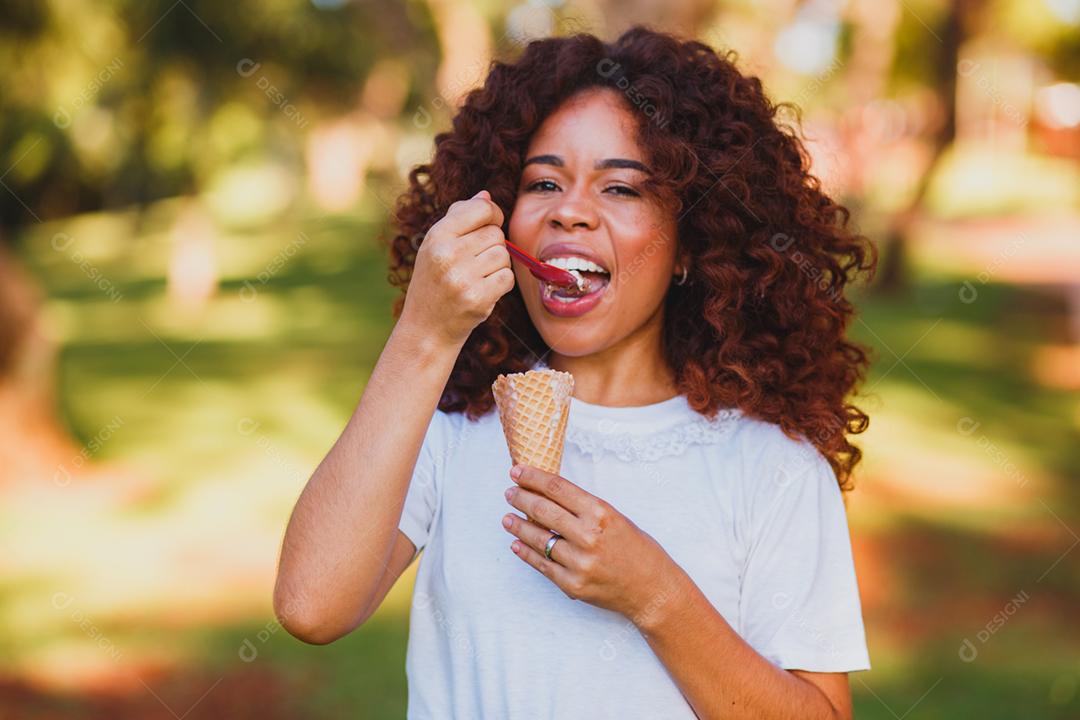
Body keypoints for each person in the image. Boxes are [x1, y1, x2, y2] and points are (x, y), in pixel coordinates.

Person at [274, 25, 877, 719]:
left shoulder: (772, 466)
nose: (569, 209)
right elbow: (310, 606)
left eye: (620, 188)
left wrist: (655, 596)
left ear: (690, 246)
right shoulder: (453, 424)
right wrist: (422, 335)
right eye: (543, 182)